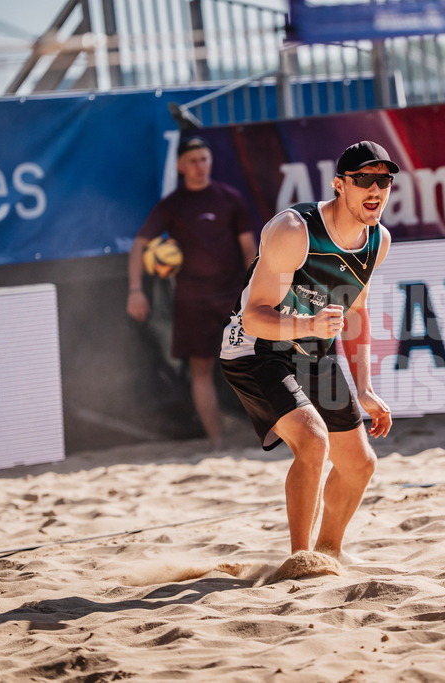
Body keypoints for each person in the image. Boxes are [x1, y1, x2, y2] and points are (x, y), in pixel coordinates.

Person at [219, 140, 397, 560]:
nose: (375, 189)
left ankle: (327, 554)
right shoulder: (293, 230)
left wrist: (365, 388)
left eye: (384, 180)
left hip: (312, 352)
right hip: (255, 348)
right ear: (339, 185)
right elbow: (253, 318)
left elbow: (357, 311)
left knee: (360, 465)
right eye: (364, 179)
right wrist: (308, 325)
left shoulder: (377, 240)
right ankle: (300, 564)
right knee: (314, 441)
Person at [127, 136, 257, 450]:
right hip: (192, 300)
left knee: (252, 362)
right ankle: (216, 442)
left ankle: (264, 433)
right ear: (180, 166)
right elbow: (138, 247)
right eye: (193, 161)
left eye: (204, 159)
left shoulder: (229, 198)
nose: (200, 166)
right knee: (201, 370)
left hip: (232, 296)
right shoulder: (172, 205)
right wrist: (135, 290)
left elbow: (249, 249)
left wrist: (255, 289)